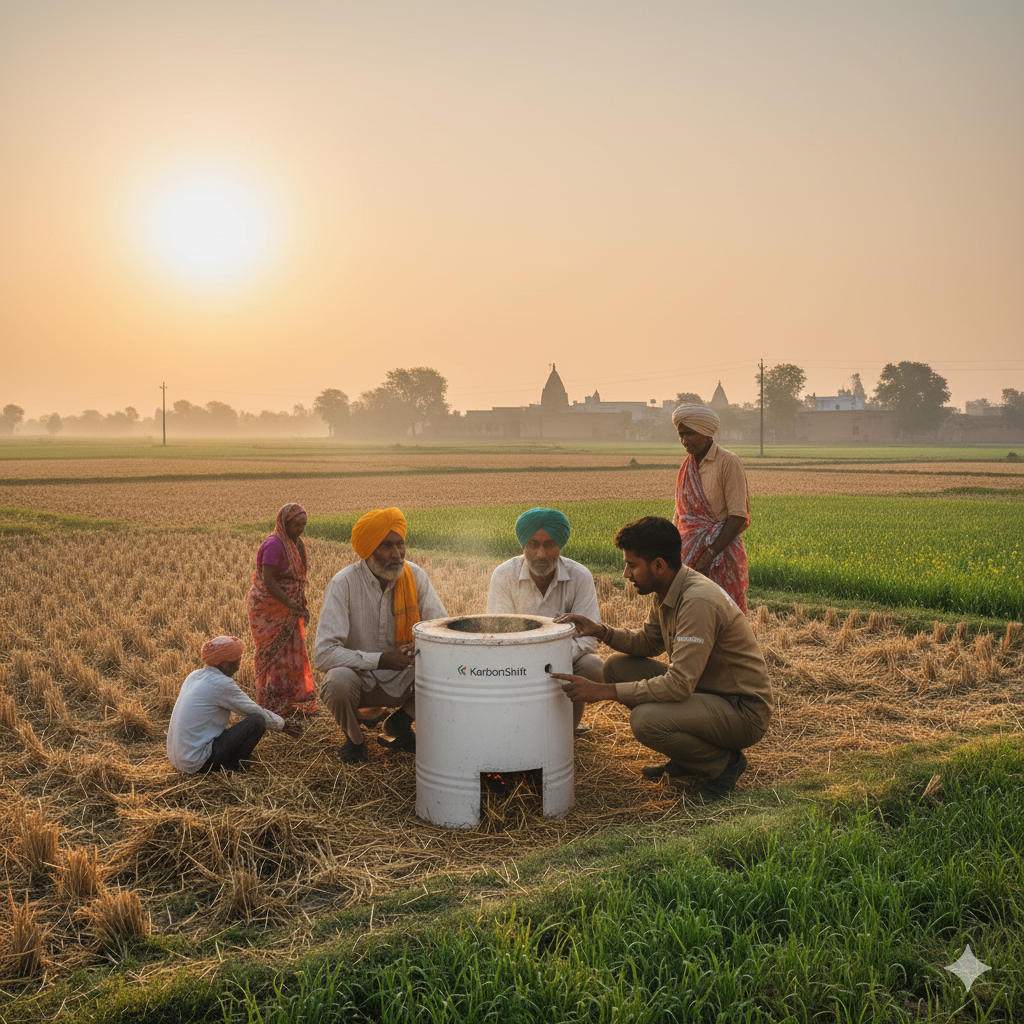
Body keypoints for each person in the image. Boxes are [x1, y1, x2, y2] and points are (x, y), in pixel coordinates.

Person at [553, 516, 772, 804]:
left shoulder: (696, 602)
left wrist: (604, 692)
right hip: (707, 694)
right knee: (617, 667)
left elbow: (680, 685)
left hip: (742, 710)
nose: (625, 573)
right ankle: (689, 759)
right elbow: (648, 641)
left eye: (632, 565)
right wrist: (601, 631)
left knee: (646, 721)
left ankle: (725, 764)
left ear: (658, 565)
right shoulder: (669, 588)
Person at [315, 507, 447, 763]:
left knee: (448, 668)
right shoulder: (343, 584)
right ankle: (354, 740)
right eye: (386, 546)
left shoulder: (415, 576)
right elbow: (324, 654)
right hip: (361, 677)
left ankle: (400, 723)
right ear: (369, 549)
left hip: (406, 674)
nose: (397, 554)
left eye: (400, 544)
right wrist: (381, 660)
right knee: (336, 681)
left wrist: (419, 642)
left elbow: (440, 629)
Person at [487, 507, 604, 732]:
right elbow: (498, 636)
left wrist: (550, 662)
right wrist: (534, 662)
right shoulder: (504, 575)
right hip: (515, 663)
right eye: (533, 544)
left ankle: (566, 730)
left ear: (560, 545)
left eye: (549, 544)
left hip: (564, 662)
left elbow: (588, 640)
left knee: (593, 666)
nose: (541, 554)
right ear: (523, 545)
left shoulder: (580, 576)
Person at [167, 635, 299, 774]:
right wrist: (283, 725)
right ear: (225, 664)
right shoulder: (222, 684)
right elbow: (253, 710)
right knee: (257, 721)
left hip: (178, 758)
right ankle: (233, 767)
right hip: (197, 762)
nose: (239, 665)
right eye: (237, 661)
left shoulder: (193, 676)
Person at [671, 404, 752, 614]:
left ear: (706, 433)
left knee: (724, 613)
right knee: (689, 612)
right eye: (681, 435)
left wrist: (710, 554)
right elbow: (679, 513)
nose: (684, 440)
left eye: (690, 433)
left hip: (721, 553)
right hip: (687, 554)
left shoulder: (728, 461)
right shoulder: (686, 467)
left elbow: (737, 515)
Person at [246, 503, 316, 717]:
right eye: (297, 524)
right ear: (285, 524)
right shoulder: (274, 545)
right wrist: (291, 604)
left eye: (304, 524)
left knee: (292, 653)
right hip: (270, 608)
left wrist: (298, 604)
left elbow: (298, 579)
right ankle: (271, 705)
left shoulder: (298, 544)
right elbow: (268, 580)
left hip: (290, 607)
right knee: (272, 654)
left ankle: (292, 701)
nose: (301, 529)